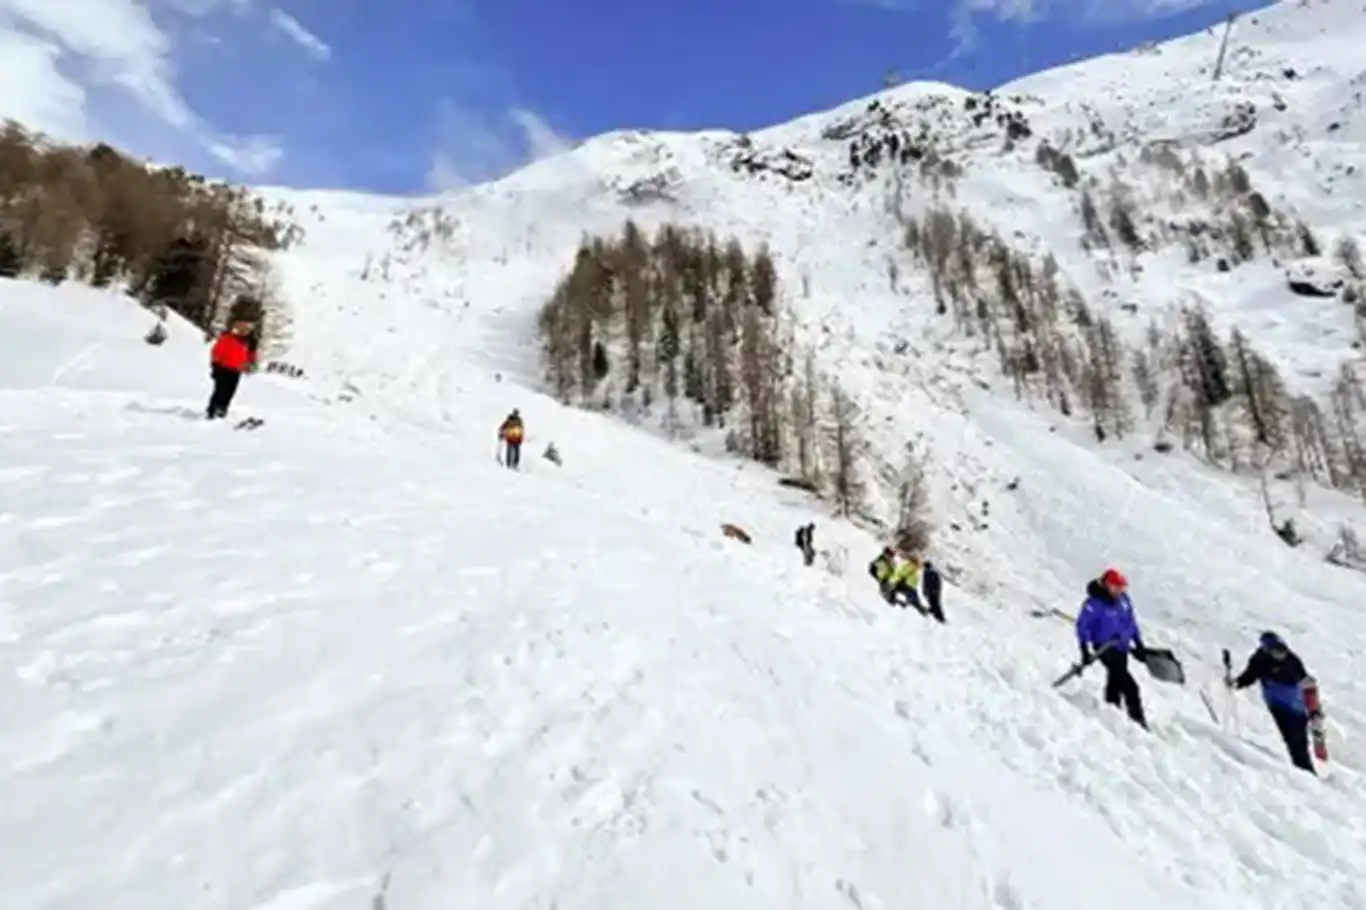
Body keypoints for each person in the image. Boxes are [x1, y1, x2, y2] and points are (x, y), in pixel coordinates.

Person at [1231, 632, 1315, 774]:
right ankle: (1303, 771)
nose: (1281, 654)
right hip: (1278, 705)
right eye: (1277, 651)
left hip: (1296, 706)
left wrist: (1311, 701)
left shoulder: (1292, 660)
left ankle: (1306, 770)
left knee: (1301, 740)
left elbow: (1304, 680)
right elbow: (1248, 677)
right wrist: (1236, 683)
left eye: (1282, 650)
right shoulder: (1259, 661)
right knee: (1292, 738)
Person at [1074, 567, 1148, 729]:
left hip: (1122, 647)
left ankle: (1111, 711)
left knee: (1115, 681)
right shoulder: (1094, 604)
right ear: (1107, 585)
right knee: (1130, 686)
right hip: (1105, 648)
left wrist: (1139, 643)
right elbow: (1082, 627)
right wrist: (1084, 650)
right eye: (1116, 587)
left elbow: (1131, 622)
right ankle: (1138, 722)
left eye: (1121, 587)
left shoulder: (1124, 600)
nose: (1119, 590)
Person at [207, 317, 256, 419]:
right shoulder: (227, 337)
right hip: (223, 368)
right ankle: (212, 410)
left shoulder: (247, 342)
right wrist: (215, 365)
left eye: (247, 329)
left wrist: (250, 363)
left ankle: (222, 409)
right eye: (242, 328)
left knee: (230, 391)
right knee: (220, 390)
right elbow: (216, 351)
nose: (244, 331)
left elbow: (249, 356)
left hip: (236, 370)